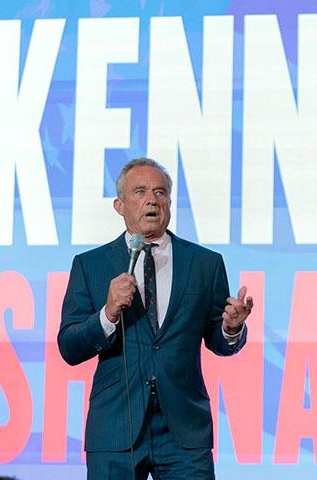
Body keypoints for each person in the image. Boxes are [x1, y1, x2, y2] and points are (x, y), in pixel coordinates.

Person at [58, 157, 252, 479]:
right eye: (141, 192)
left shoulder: (204, 263)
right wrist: (106, 315)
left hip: (184, 431)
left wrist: (231, 328)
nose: (152, 199)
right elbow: (69, 347)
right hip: (116, 429)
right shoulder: (90, 265)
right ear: (120, 205)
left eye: (160, 193)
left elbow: (219, 340)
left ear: (170, 203)